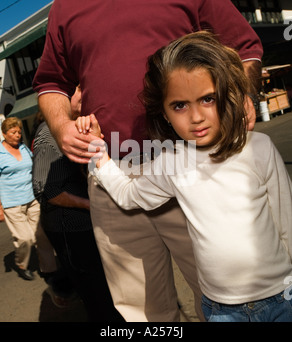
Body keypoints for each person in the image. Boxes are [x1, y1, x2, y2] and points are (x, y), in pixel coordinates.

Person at [33, 0, 263, 321]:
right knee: (141, 312)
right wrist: (61, 126)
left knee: (229, 296)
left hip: (191, 162)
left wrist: (240, 94)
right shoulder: (64, 7)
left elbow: (244, 47)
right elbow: (51, 83)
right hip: (109, 174)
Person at [77, 31, 292, 322]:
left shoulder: (259, 148)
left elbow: (287, 223)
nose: (196, 117)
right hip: (221, 311)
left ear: (226, 94)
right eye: (179, 105)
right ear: (164, 113)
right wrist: (100, 157)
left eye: (207, 99)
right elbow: (129, 196)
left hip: (282, 298)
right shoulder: (171, 162)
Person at [32, 85, 123, 322]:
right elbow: (46, 189)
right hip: (69, 228)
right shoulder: (47, 134)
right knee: (97, 295)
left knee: (105, 288)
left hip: (87, 226)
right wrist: (91, 204)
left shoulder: (79, 127)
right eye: (78, 90)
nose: (85, 94)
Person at [0, 117, 40, 281]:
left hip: (32, 199)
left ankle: (43, 261)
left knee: (38, 235)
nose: (18, 135)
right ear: (4, 134)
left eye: (19, 132)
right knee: (25, 238)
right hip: (12, 203)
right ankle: (21, 264)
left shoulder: (24, 148)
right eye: (13, 132)